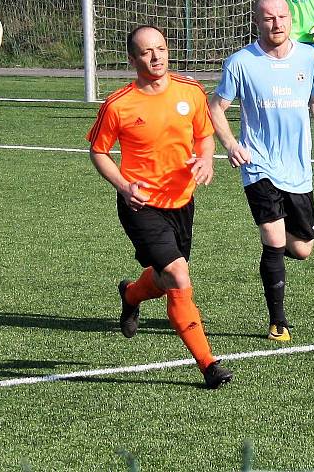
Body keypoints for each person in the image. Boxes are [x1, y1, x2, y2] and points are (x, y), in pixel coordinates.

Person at [87, 25, 233, 389]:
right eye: (147, 52)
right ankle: (208, 364)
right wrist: (123, 185)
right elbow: (98, 151)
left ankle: (131, 293)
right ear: (132, 59)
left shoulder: (191, 91)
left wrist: (206, 160)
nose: (157, 57)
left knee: (166, 276)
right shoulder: (118, 104)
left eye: (161, 49)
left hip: (182, 202)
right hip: (141, 204)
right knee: (179, 276)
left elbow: (203, 136)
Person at [208, 0, 314, 343]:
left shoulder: (308, 57)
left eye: (282, 17)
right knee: (272, 238)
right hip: (258, 165)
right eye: (269, 18)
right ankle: (278, 321)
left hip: (298, 168)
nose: (277, 24)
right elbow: (214, 107)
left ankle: (278, 237)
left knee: (302, 249)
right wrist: (231, 145)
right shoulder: (241, 62)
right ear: (257, 21)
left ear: (291, 19)